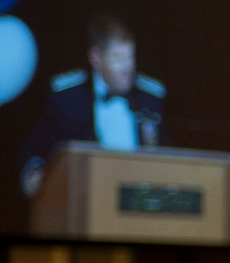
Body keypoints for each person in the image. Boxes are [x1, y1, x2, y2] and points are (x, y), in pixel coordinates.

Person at [20, 13, 167, 199]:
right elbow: (35, 150)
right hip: (83, 200)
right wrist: (34, 173)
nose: (128, 67)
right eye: (118, 58)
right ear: (96, 58)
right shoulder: (67, 98)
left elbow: (169, 159)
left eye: (131, 57)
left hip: (137, 203)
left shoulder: (150, 98)